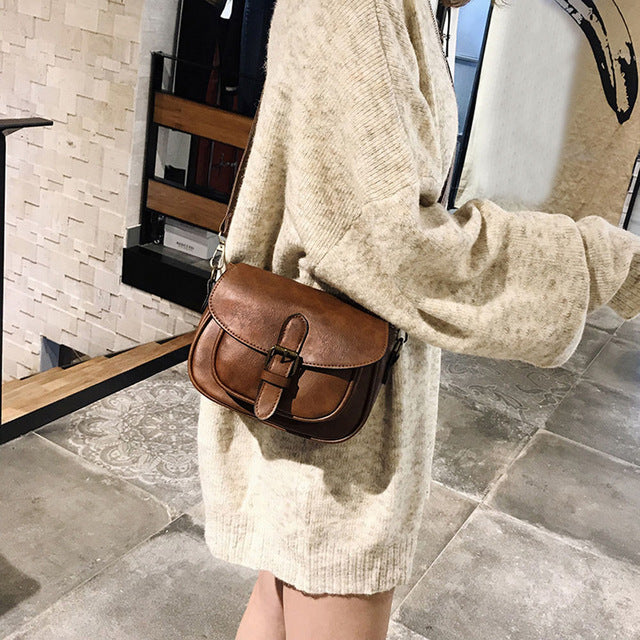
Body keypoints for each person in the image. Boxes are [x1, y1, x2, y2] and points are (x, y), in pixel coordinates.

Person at [195, 0, 640, 638]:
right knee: (315, 578)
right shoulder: (362, 9)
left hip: (312, 389)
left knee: (279, 595)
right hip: (331, 407)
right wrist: (605, 262)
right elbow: (397, 246)